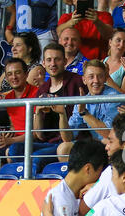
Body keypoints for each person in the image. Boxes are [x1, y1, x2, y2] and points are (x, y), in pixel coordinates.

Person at [8, 43, 87, 171]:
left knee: (36, 157)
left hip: (72, 141)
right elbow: (39, 135)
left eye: (57, 59)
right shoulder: (43, 89)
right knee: (14, 150)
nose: (53, 64)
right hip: (48, 143)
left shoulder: (78, 82)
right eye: (49, 60)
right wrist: (38, 112)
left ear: (65, 61)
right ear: (43, 63)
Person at [56, 59, 121, 160]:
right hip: (95, 146)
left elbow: (108, 134)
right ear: (84, 80)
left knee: (105, 142)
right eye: (91, 77)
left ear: (105, 78)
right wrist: (62, 114)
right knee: (63, 148)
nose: (96, 80)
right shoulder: (82, 100)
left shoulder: (114, 97)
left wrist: (84, 113)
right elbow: (68, 137)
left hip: (114, 145)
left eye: (100, 76)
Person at [0, 58, 39, 163]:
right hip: (16, 140)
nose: (14, 77)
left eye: (17, 72)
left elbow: (36, 134)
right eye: (9, 74)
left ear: (26, 74)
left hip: (34, 142)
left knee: (12, 151)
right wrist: (10, 133)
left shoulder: (37, 94)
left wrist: (10, 140)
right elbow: (14, 124)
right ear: (6, 78)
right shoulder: (8, 98)